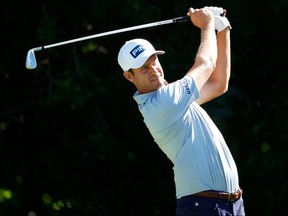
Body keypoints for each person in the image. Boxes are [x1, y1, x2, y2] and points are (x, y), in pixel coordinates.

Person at [117, 6, 245, 216]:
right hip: (203, 207)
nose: (154, 70)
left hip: (231, 204)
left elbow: (219, 83)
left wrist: (223, 29)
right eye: (144, 68)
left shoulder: (176, 98)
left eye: (154, 62)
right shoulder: (163, 104)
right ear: (129, 77)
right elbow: (206, 63)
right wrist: (206, 25)